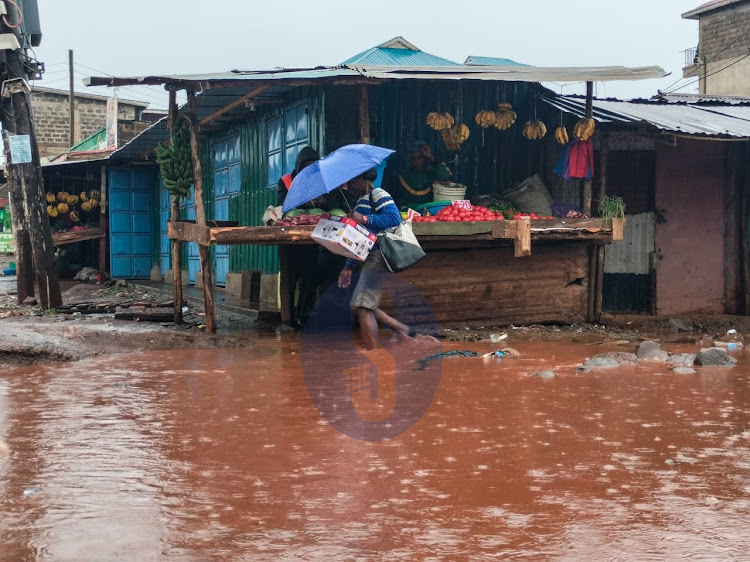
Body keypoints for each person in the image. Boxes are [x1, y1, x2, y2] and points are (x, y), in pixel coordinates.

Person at [337, 168, 414, 350]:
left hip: (379, 255)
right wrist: (349, 267)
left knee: (364, 307)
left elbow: (394, 218)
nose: (350, 186)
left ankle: (372, 353)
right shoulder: (360, 202)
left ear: (364, 180)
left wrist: (363, 218)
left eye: (353, 182)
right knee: (358, 305)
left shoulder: (378, 194)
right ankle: (404, 331)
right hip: (368, 255)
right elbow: (361, 238)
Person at [276, 147, 323, 330]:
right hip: (290, 239)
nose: (310, 170)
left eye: (313, 167)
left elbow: (331, 203)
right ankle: (288, 318)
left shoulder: (321, 182)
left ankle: (302, 316)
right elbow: (282, 205)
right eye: (307, 166)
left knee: (309, 278)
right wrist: (302, 201)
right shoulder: (286, 181)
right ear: (299, 166)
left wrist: (321, 202)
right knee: (290, 278)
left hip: (312, 239)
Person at [395, 140, 452, 209]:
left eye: (419, 158)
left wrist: (431, 157)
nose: (416, 162)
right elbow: (402, 201)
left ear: (425, 159)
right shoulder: (404, 175)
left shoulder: (431, 173)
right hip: (411, 210)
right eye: (413, 159)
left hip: (429, 210)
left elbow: (446, 175)